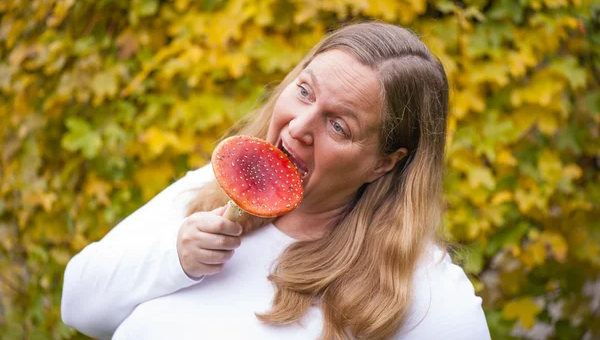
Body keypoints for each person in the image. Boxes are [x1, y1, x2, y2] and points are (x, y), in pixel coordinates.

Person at [61, 22, 491, 340]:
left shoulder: (428, 297)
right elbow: (77, 306)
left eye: (338, 126)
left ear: (384, 162)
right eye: (305, 91)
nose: (300, 127)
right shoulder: (209, 190)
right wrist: (175, 260)